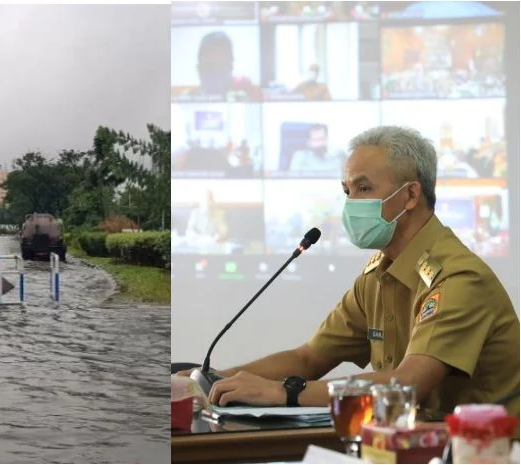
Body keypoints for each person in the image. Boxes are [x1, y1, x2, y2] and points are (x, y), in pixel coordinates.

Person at [177, 126, 519, 418]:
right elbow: (309, 358)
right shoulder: (377, 276)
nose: (351, 203)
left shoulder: (457, 278)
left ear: (411, 194)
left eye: (364, 189)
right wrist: (208, 381)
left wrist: (287, 393)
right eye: (347, 191)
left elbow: (409, 384)